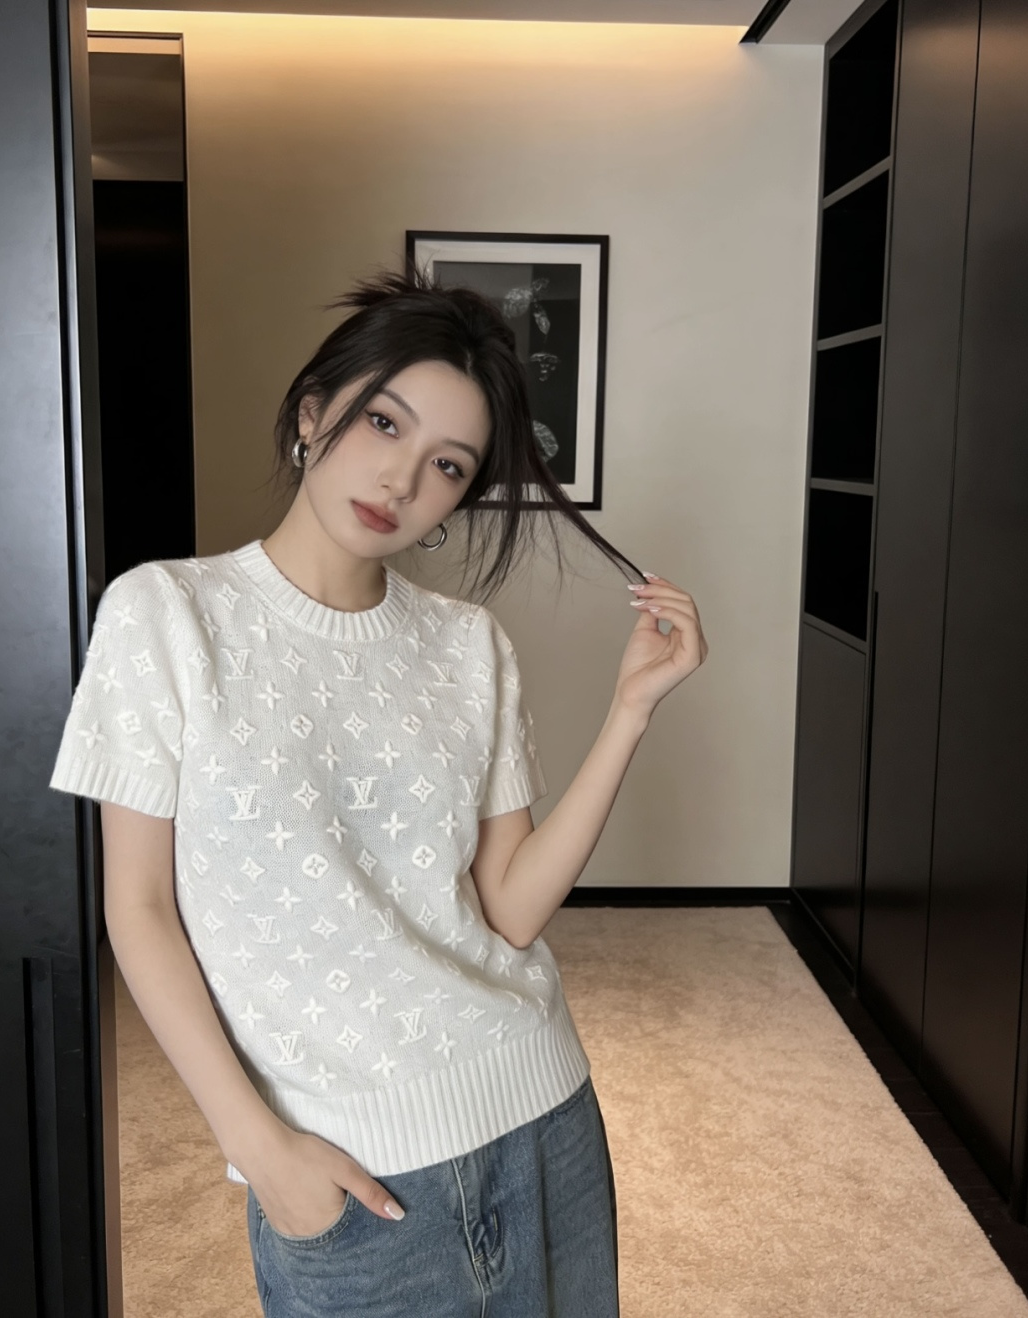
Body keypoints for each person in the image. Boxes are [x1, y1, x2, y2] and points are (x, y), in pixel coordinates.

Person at [49, 268, 707, 1317]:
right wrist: (259, 1148)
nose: (402, 478)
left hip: (541, 1110)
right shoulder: (166, 613)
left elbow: (510, 910)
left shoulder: (468, 644)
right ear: (313, 415)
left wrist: (630, 711)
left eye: (447, 465)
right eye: (383, 423)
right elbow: (139, 908)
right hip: (354, 1174)